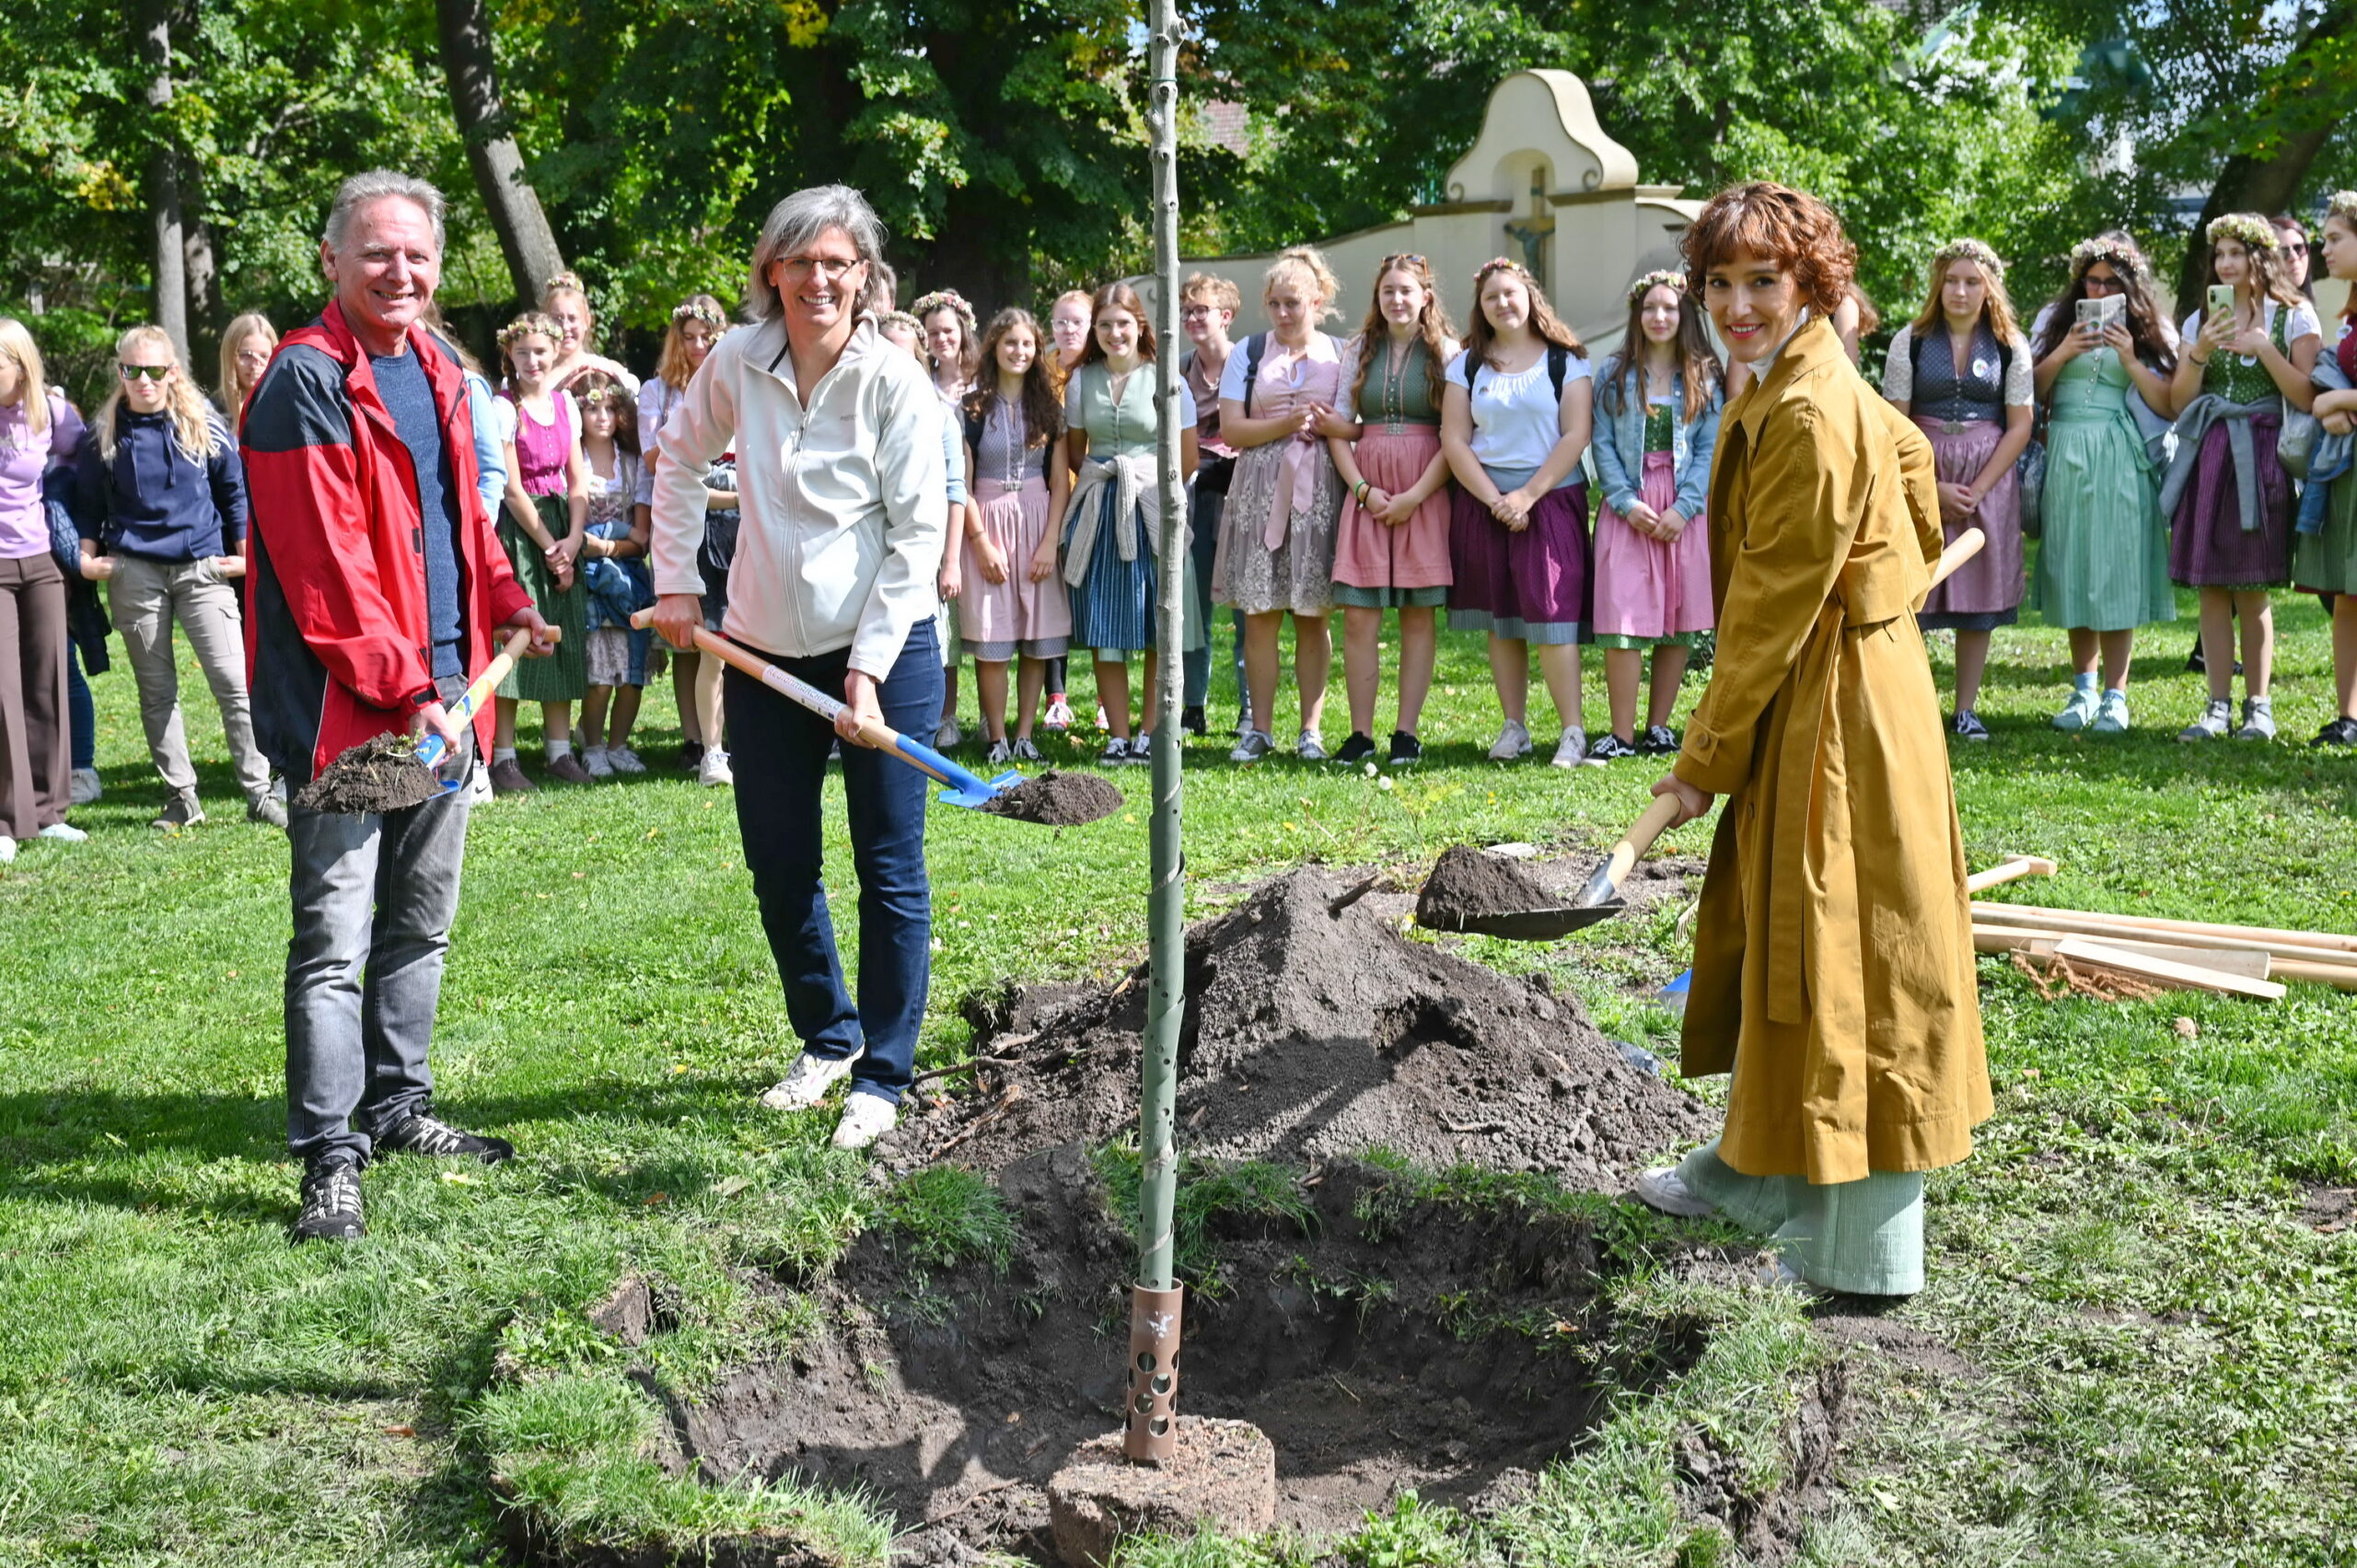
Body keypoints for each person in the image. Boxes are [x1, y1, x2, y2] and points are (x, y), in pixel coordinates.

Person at [1633, 180, 1988, 1299]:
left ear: (1810, 284)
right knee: (1793, 929)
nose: (1737, 303)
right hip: (1829, 681)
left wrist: (1698, 764)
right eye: (1719, 282)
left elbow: (1770, 605)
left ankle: (1862, 1251)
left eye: (1761, 281)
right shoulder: (1800, 375)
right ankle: (1756, 1165)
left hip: (1837, 703)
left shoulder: (1804, 407)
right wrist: (1895, 559)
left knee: (1850, 944)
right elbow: (1916, 461)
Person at [241, 169, 552, 1242]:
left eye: (417, 254)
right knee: (335, 936)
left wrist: (508, 599)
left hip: (446, 703)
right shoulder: (303, 380)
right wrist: (412, 689)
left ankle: (399, 1104)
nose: (401, 271)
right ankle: (331, 1153)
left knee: (420, 925)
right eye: (377, 252)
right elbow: (327, 570)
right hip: (355, 713)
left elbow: (459, 522)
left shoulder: (442, 372)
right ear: (331, 260)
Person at [648, 184, 947, 1152]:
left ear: (864, 277)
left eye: (838, 263)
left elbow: (917, 535)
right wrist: (678, 586)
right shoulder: (738, 359)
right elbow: (678, 458)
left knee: (888, 865)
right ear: (771, 272)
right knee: (780, 861)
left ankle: (885, 1073)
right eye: (800, 261)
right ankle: (827, 1035)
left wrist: (864, 671)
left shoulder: (893, 378)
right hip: (764, 652)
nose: (819, 279)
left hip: (887, 652)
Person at [73, 323, 280, 830]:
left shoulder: (202, 425)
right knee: (156, 691)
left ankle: (259, 792)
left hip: (202, 568)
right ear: (121, 372)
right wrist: (87, 558)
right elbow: (85, 504)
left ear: (173, 371)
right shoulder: (103, 434)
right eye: (133, 371)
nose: (144, 381)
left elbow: (234, 493)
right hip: (135, 572)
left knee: (234, 683)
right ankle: (181, 797)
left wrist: (245, 556)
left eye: (155, 370)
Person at [2165, 212, 2320, 742]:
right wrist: (2200, 352)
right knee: (2212, 586)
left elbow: (2306, 397)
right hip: (2212, 452)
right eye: (2220, 255)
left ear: (2258, 259)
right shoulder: (2197, 322)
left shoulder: (2294, 317)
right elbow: (2178, 402)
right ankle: (2215, 704)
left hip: (2262, 453)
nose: (2225, 264)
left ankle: (2259, 705)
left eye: (2236, 253)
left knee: (2253, 587)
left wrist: (2264, 348)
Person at [1440, 257, 1596, 767]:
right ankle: (1515, 727)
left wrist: (1527, 497)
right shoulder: (1466, 365)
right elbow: (1455, 439)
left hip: (1549, 498)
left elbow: (1575, 435)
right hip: (1486, 501)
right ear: (1480, 308)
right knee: (1502, 617)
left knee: (1553, 615)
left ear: (1529, 296)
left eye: (1510, 293)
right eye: (1492, 298)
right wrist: (1495, 501)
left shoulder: (1565, 362)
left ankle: (1572, 731)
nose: (1503, 303)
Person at [1880, 239, 2035, 741]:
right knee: (1914, 590)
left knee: (1979, 595)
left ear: (1989, 287)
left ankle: (1965, 708)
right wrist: (1930, 487)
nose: (1960, 291)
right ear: (1938, 285)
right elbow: (1893, 422)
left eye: (1971, 281)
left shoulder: (2010, 345)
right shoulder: (1913, 341)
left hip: (1986, 475)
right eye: (1951, 280)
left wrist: (1978, 487)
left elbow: (2020, 425)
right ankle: (1913, 704)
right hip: (1923, 472)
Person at [2027, 232, 2178, 735]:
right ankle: (2083, 689)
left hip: (2118, 449)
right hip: (2065, 448)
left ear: (2128, 286)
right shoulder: (2053, 322)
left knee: (2114, 568)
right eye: (2091, 281)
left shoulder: (2148, 328)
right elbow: (2026, 392)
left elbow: (2169, 404)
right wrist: (2064, 349)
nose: (2098, 291)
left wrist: (2132, 358)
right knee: (2073, 563)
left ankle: (2116, 694)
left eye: (2110, 283)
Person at [1325, 253, 1458, 766]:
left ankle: (1406, 732)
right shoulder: (1359, 349)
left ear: (1426, 295)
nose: (1397, 300)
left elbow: (1456, 436)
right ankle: (1360, 734)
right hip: (1370, 490)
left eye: (1407, 291)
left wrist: (1415, 496)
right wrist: (1362, 490)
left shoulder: (1447, 352)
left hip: (1424, 488)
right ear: (1377, 299)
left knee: (1416, 616)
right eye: (1388, 292)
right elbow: (1339, 428)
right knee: (1359, 617)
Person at [1060, 282, 1201, 766]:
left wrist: (1149, 482)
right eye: (1104, 325)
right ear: (1094, 330)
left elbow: (1188, 455)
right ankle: (1118, 735)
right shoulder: (1081, 382)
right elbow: (1078, 449)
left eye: (1123, 323)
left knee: (1155, 621)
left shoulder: (1166, 377)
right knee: (1106, 623)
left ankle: (1150, 731)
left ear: (1140, 325)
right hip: (1102, 507)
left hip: (1152, 507)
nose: (1114, 333)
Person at [1586, 269, 1722, 761]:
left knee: (1676, 617)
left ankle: (1659, 726)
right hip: (1631, 505)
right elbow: (1600, 441)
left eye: (1669, 308)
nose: (1659, 316)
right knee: (1623, 614)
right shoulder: (1614, 373)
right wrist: (1623, 501)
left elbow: (1709, 446)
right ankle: (1621, 733)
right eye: (1650, 308)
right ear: (1637, 315)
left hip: (1684, 507)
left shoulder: (1704, 375)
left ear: (1684, 314)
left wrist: (1685, 507)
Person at [1218, 246, 1346, 763]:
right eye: (1274, 303)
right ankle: (1260, 729)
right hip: (1258, 489)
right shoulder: (1248, 353)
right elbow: (1231, 428)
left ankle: (1310, 730)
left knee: (1313, 614)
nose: (1284, 313)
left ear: (1318, 300)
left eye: (1293, 302)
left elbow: (1355, 422)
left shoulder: (1342, 352)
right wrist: (1287, 424)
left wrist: (1330, 428)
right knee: (1260, 613)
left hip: (1320, 491)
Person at [484, 313, 591, 790]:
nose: (533, 360)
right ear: (510, 354)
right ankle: (503, 756)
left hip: (563, 530)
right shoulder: (504, 407)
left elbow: (577, 479)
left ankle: (559, 750)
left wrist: (573, 538)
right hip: (522, 532)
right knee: (516, 640)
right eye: (523, 352)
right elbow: (510, 487)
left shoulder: (565, 403)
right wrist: (550, 547)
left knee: (560, 637)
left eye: (541, 352)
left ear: (555, 354)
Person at [961, 308, 1071, 763]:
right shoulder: (971, 407)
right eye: (1010, 343)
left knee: (1035, 634)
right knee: (993, 639)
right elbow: (960, 486)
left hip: (1037, 519)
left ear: (1037, 350)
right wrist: (980, 541)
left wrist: (1050, 542)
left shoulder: (1049, 407)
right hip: (987, 519)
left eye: (1027, 344)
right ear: (994, 348)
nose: (1019, 351)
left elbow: (1061, 482)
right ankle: (996, 739)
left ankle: (1025, 733)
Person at [637, 295, 735, 779]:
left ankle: (731, 737)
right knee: (693, 635)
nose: (698, 345)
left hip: (735, 524)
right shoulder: (659, 392)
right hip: (686, 519)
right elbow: (658, 459)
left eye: (707, 337)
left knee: (735, 633)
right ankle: (696, 741)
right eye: (689, 336)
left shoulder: (734, 381)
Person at [0, 317, 85, 865]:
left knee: (49, 682)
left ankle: (50, 810)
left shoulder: (51, 413)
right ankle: (9, 819)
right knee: (3, 690)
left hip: (41, 563)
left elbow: (84, 459)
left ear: (20, 365)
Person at [2298, 194, 2357, 745]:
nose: (2324, 247)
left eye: (2335, 237)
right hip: (2347, 473)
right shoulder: (2352, 311)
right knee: (2347, 594)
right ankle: (2349, 716)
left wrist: (2331, 405)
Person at [1178, 273, 1248, 738]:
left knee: (1246, 603)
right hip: (1195, 493)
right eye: (1187, 311)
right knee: (1193, 602)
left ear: (1225, 315)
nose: (1192, 318)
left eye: (1201, 309)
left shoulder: (1248, 363)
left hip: (1243, 491)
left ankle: (1248, 707)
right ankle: (1192, 705)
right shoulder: (1180, 368)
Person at [914, 289, 981, 749]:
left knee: (967, 621)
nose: (941, 339)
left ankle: (951, 712)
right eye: (933, 333)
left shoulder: (981, 385)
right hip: (938, 508)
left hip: (978, 503)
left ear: (963, 333)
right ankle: (929, 712)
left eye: (948, 331)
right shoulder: (920, 383)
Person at [575, 374, 652, 776]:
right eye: (592, 407)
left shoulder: (633, 463)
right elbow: (575, 535)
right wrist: (603, 544)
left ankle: (619, 744)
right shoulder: (574, 460)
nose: (602, 416)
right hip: (588, 577)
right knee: (600, 673)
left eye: (609, 408)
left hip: (629, 576)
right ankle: (591, 744)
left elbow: (641, 540)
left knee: (632, 674)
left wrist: (606, 544)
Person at [1039, 287, 1096, 733]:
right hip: (1050, 498)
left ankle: (1102, 697)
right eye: (1060, 322)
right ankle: (1056, 696)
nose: (1068, 329)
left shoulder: (1103, 367)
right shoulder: (1041, 372)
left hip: (1093, 497)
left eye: (1077, 321)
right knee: (1053, 600)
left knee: (1093, 600)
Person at [541, 270, 640, 398]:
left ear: (586, 321)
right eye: (557, 319)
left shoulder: (607, 369)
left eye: (572, 318)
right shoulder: (536, 375)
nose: (565, 327)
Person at [217, 311, 278, 422]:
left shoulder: (285, 405)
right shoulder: (213, 412)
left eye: (264, 356)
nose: (255, 365)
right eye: (246, 355)